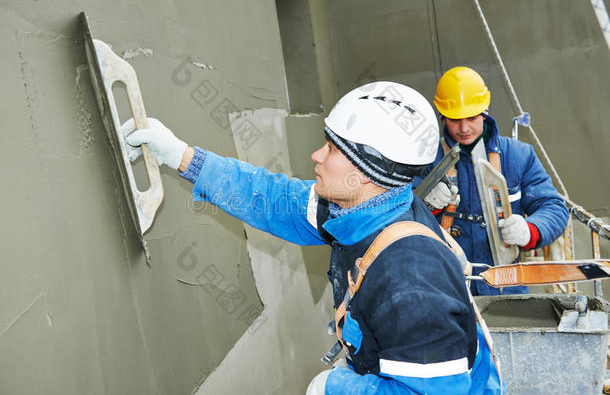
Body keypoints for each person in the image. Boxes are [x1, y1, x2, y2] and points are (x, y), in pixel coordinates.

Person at [122, 81, 501, 394]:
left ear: (367, 172)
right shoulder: (360, 210)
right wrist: (181, 156)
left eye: (333, 149)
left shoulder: (409, 276)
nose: (316, 155)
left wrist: (335, 387)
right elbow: (271, 198)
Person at [421, 66, 569, 296]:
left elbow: (553, 207)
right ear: (443, 115)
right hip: (445, 288)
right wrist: (424, 204)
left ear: (485, 111)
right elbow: (396, 216)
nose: (464, 128)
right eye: (454, 119)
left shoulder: (519, 156)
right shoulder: (425, 160)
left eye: (471, 117)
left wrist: (530, 231)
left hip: (506, 287)